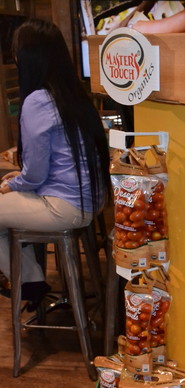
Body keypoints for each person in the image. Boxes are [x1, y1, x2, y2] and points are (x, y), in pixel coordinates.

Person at [0, 19, 111, 310]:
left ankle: (28, 282)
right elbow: (56, 162)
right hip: (91, 200)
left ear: (28, 57)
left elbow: (36, 175)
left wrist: (14, 183)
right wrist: (21, 179)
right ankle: (30, 280)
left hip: (65, 207)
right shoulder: (72, 94)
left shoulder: (37, 100)